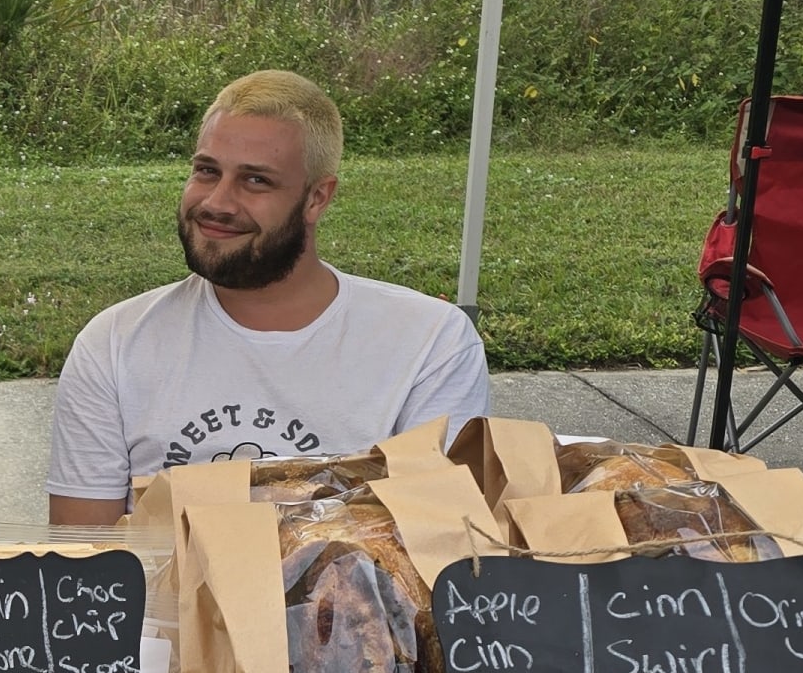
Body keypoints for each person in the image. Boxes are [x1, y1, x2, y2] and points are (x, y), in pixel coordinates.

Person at [46, 70, 491, 525]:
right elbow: (84, 551)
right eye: (207, 171)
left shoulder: (429, 343)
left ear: (317, 198)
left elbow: (440, 541)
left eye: (256, 180)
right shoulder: (114, 343)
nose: (217, 203)